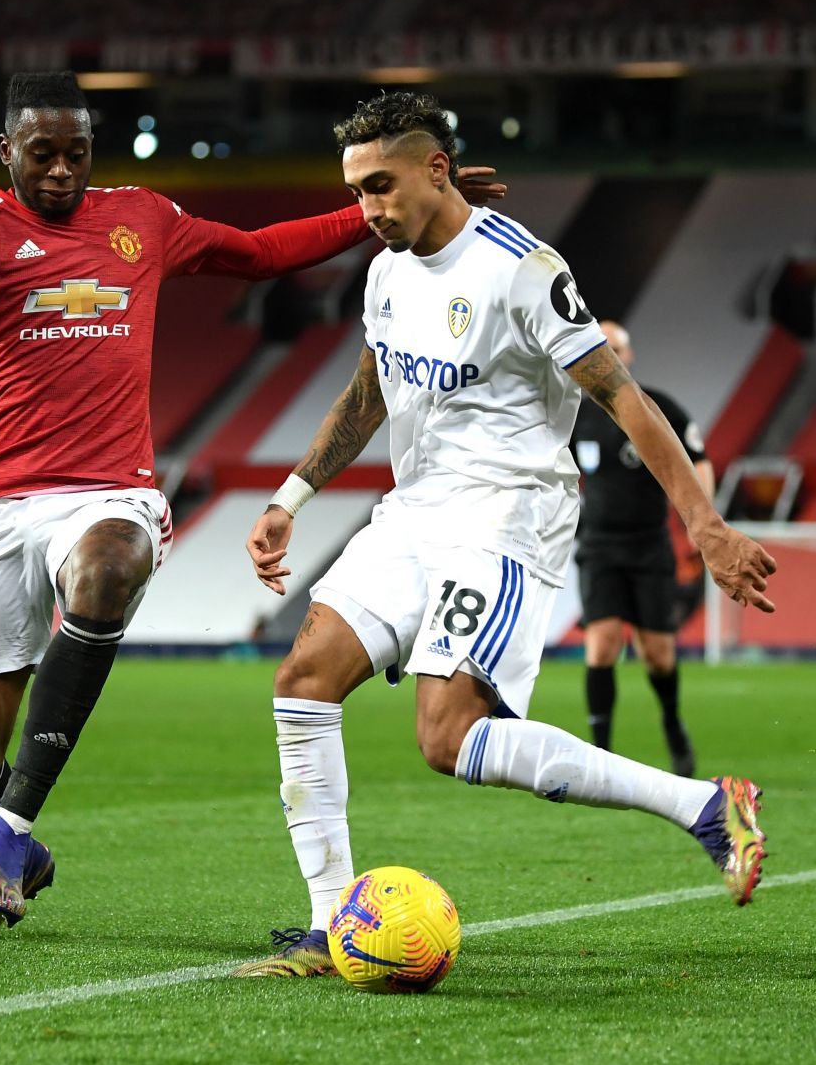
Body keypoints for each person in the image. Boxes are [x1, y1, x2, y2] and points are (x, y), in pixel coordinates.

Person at [0, 71, 506, 939]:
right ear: (7, 150)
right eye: (41, 154)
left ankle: (6, 839)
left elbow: (262, 250)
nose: (59, 171)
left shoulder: (141, 220)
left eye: (76, 154)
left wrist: (396, 209)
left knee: (110, 564)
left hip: (109, 491)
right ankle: (11, 844)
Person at [234, 92, 777, 978]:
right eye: (357, 191)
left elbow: (621, 397)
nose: (367, 211)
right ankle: (332, 923)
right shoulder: (386, 271)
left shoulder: (521, 269)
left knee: (447, 738)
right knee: (302, 681)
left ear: (436, 169)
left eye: (380, 186)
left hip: (507, 514)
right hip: (414, 510)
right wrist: (292, 493)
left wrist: (705, 526)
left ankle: (704, 805)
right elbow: (371, 393)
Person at [571, 320, 711, 773]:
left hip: (650, 545)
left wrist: (701, 519)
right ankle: (601, 754)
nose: (609, 356)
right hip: (598, 546)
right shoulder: (575, 413)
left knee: (657, 653)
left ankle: (672, 723)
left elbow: (700, 460)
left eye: (616, 349)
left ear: (629, 356)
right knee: (603, 645)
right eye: (601, 348)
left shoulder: (655, 407)